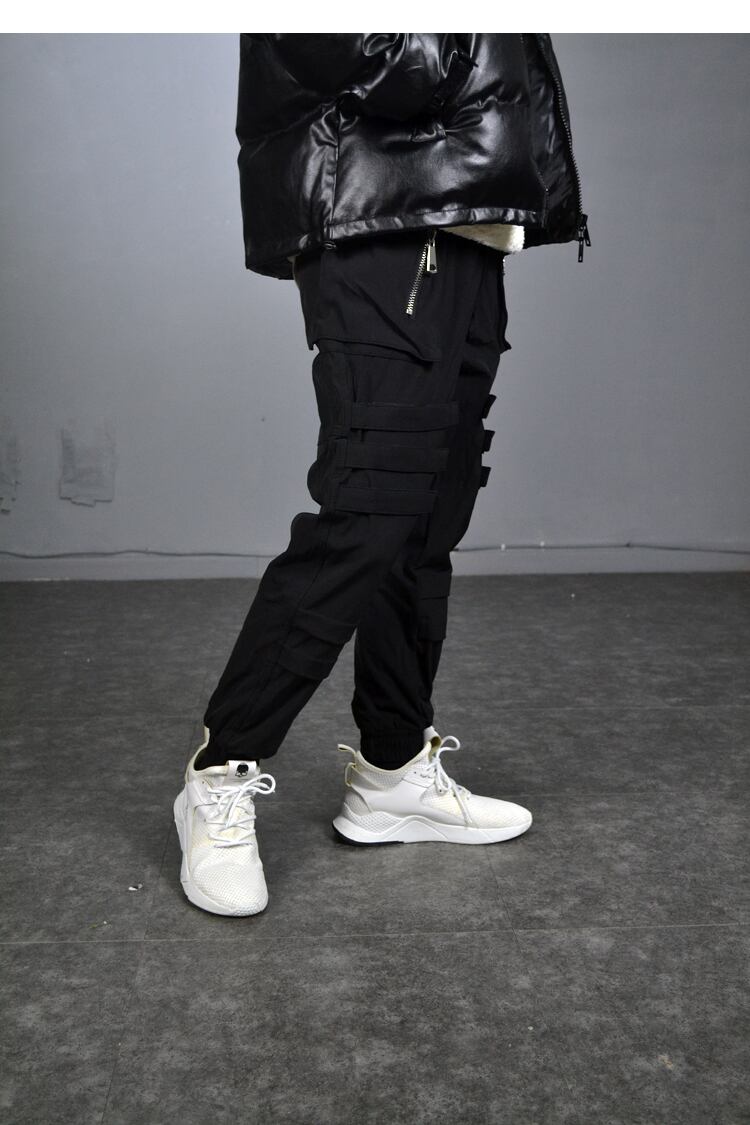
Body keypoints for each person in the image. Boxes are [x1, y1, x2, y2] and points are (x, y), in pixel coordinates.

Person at [173, 33, 591, 916]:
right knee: (371, 506)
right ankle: (221, 770)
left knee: (430, 512)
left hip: (462, 218)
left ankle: (393, 771)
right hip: (381, 216)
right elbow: (360, 45)